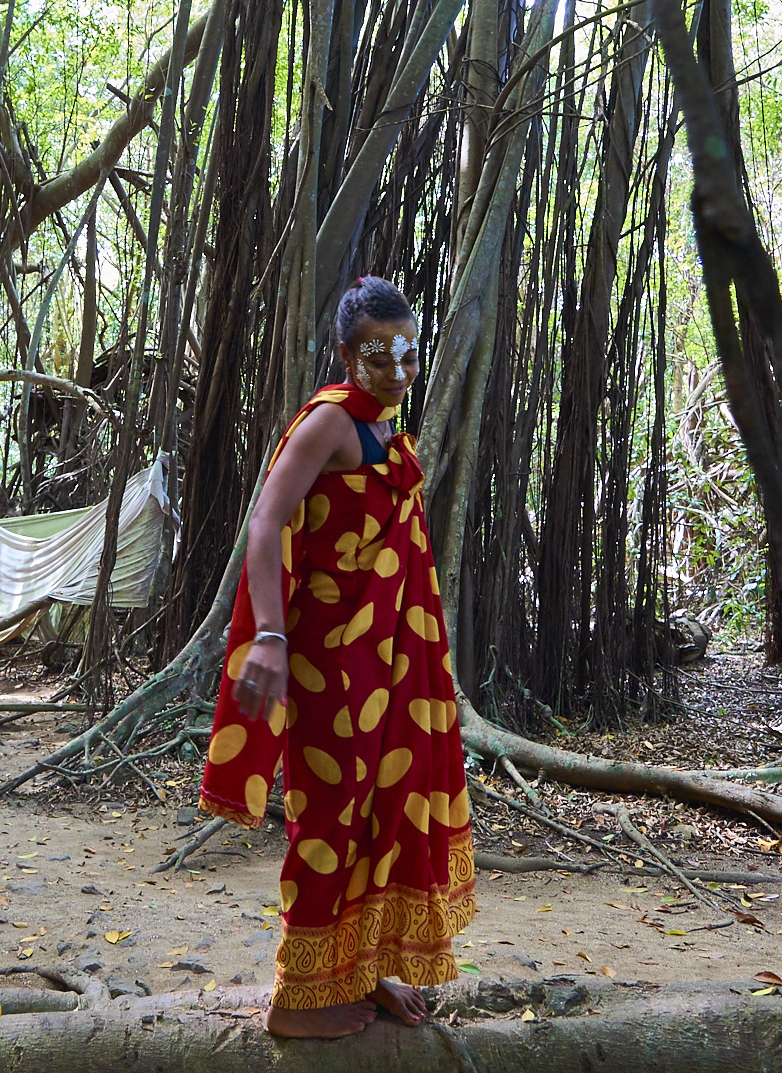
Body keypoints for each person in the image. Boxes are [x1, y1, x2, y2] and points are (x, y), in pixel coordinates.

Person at [198, 275, 476, 1039]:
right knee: (330, 813)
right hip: (330, 658)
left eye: (408, 355)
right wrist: (271, 640)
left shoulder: (386, 422)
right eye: (379, 356)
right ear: (348, 352)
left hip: (392, 662)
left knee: (387, 807)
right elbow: (266, 523)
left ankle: (361, 968)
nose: (397, 370)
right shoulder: (327, 422)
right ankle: (295, 1001)